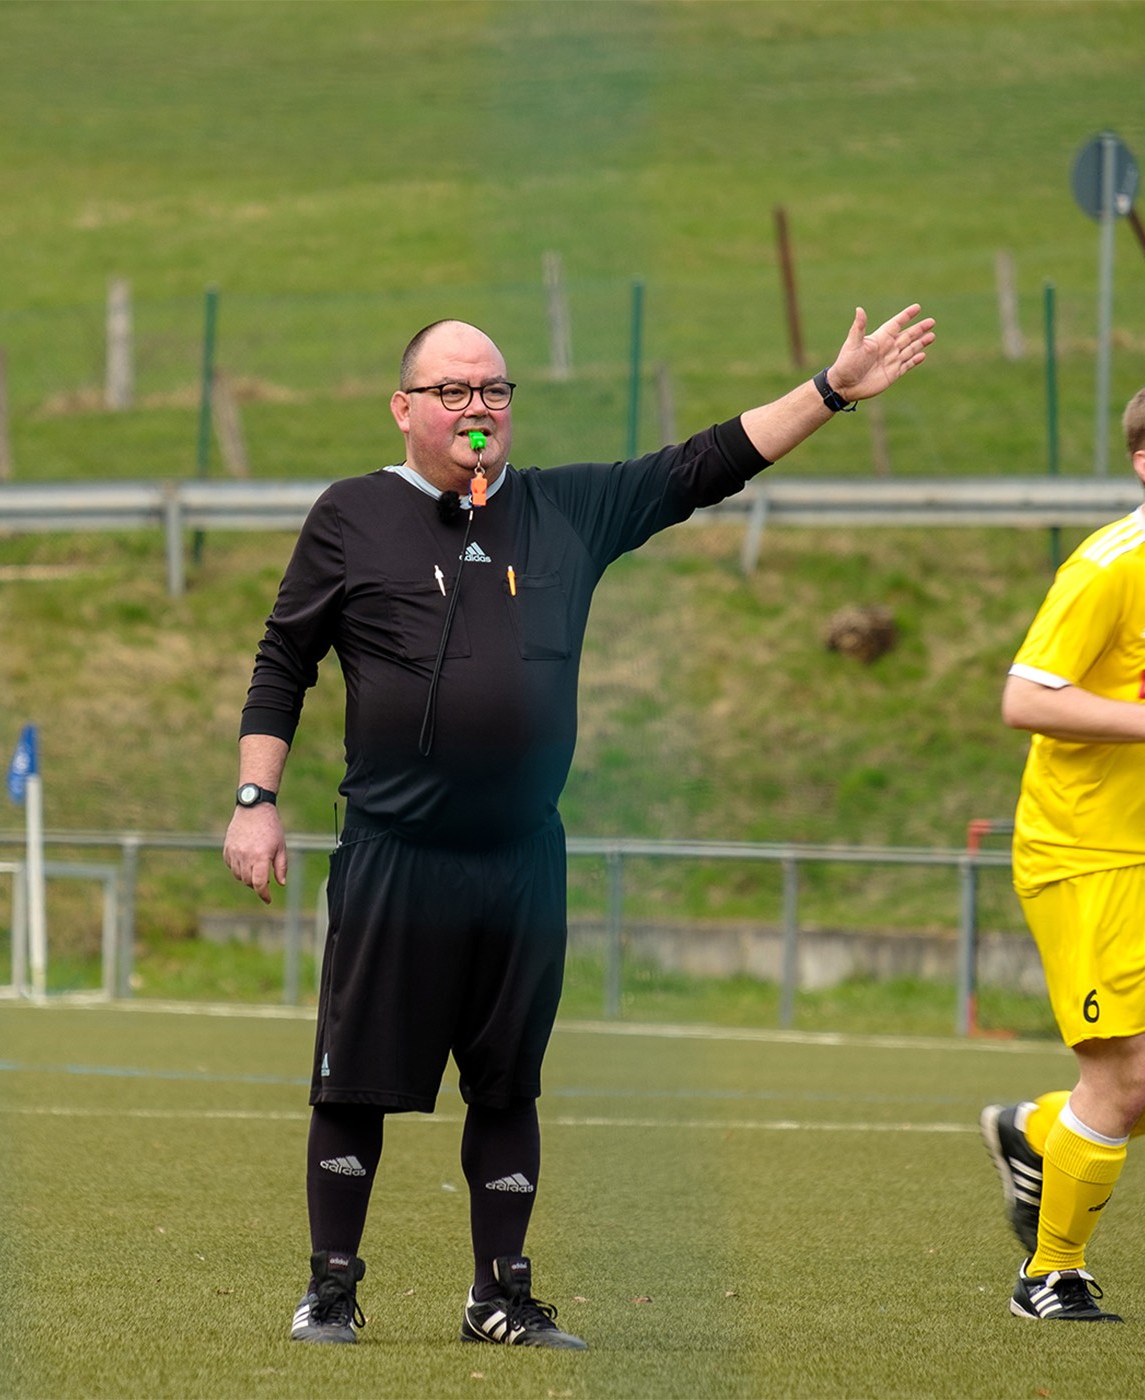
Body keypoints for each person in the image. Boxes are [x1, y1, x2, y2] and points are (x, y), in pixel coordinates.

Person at [223, 306, 934, 1349]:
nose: (478, 409)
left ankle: (499, 1293)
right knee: (355, 1079)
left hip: (518, 861)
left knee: (508, 1079)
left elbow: (706, 462)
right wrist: (255, 798)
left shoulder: (566, 511)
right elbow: (282, 659)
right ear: (403, 406)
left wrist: (827, 390)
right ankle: (331, 1288)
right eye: (454, 391)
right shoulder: (350, 516)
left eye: (494, 390)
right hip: (392, 852)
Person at [981, 375, 1145, 1324]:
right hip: (1087, 852)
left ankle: (1038, 1133)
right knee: (1128, 1071)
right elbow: (1026, 697)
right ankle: (1048, 1275)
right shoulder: (1110, 567)